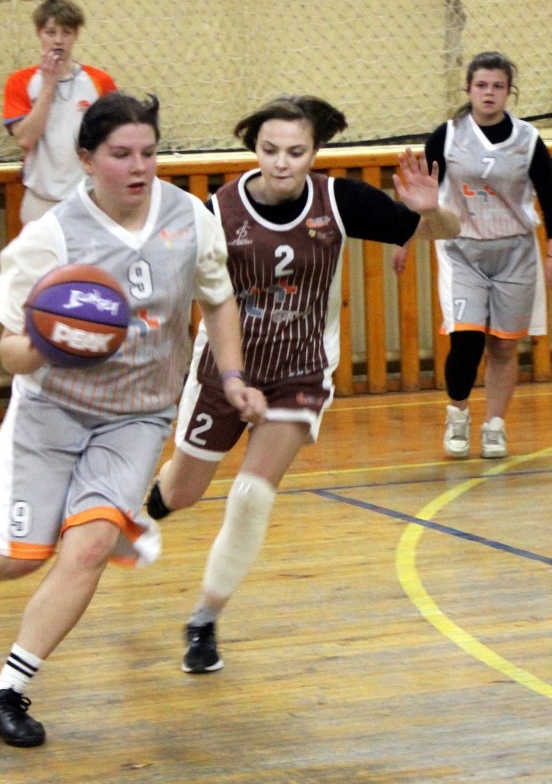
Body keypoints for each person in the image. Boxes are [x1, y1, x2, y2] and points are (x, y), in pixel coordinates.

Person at [0, 92, 266, 747]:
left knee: (90, 545)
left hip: (138, 417)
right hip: (53, 411)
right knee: (20, 555)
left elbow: (220, 300)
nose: (138, 166)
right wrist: (51, 339)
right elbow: (10, 350)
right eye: (121, 154)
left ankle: (6, 691)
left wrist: (232, 376)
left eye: (148, 152)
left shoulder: (189, 218)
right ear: (87, 159)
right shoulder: (53, 235)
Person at [145, 94, 461, 674]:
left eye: (295, 151)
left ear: (315, 152)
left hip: (299, 371)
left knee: (251, 496)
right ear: (254, 150)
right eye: (270, 150)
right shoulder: (217, 211)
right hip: (223, 370)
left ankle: (204, 621)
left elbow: (447, 232)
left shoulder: (340, 201)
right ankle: (147, 508)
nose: (282, 162)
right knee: (184, 491)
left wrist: (432, 210)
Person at [393, 51, 552, 460]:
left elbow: (551, 198)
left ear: (509, 92)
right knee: (466, 340)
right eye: (482, 85)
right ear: (469, 89)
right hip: (461, 249)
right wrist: (402, 238)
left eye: (498, 86)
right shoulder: (448, 136)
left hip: (515, 252)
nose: (489, 93)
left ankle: (494, 425)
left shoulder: (527, 139)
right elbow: (421, 193)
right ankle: (458, 413)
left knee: (503, 347)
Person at [3, 0, 117, 224]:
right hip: (41, 199)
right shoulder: (20, 81)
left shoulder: (99, 81)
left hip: (88, 198)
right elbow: (26, 139)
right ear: (39, 33)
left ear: (76, 35)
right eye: (50, 32)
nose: (58, 41)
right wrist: (48, 84)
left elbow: (114, 139)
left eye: (66, 33)